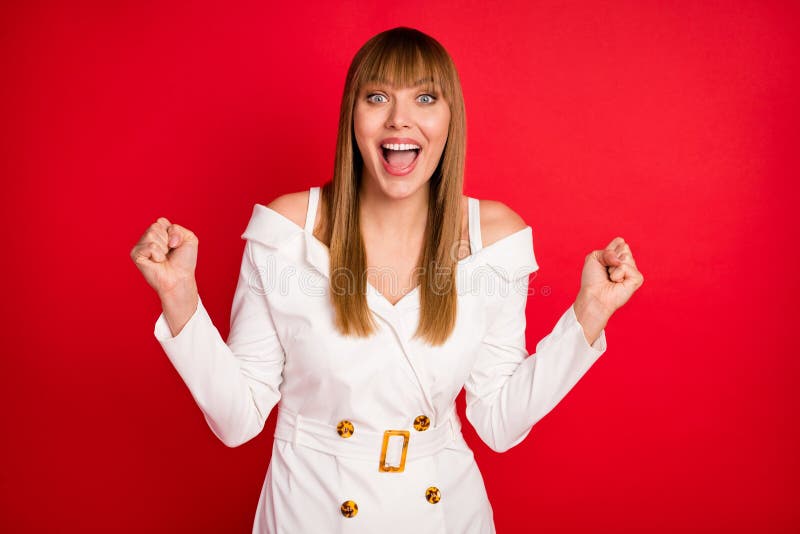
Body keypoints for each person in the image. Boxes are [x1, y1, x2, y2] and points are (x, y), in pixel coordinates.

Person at [130, 26, 644, 534]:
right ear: (352, 117)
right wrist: (180, 297)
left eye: (424, 97)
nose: (401, 120)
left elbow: (501, 421)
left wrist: (589, 313)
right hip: (309, 512)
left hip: (448, 516)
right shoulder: (289, 229)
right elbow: (237, 418)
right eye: (377, 97)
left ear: (450, 119)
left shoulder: (495, 237)